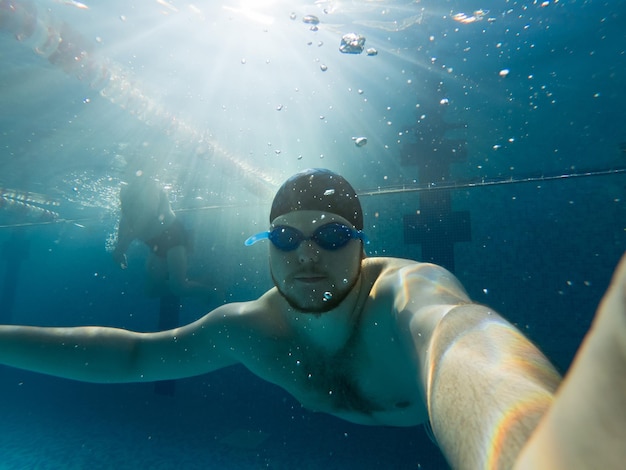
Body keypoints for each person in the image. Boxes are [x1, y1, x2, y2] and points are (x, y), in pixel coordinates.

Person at [0, 168, 624, 469]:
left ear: (362, 243)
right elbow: (135, 353)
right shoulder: (249, 328)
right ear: (267, 245)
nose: (306, 254)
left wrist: (542, 450)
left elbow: (460, 337)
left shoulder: (407, 293)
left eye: (330, 235)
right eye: (284, 236)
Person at [111, 174, 209, 297]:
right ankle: (192, 283)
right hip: (154, 242)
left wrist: (123, 245)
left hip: (172, 236)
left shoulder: (150, 184)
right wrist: (120, 246)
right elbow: (125, 217)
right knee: (151, 291)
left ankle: (212, 291)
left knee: (179, 286)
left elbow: (148, 213)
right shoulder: (125, 189)